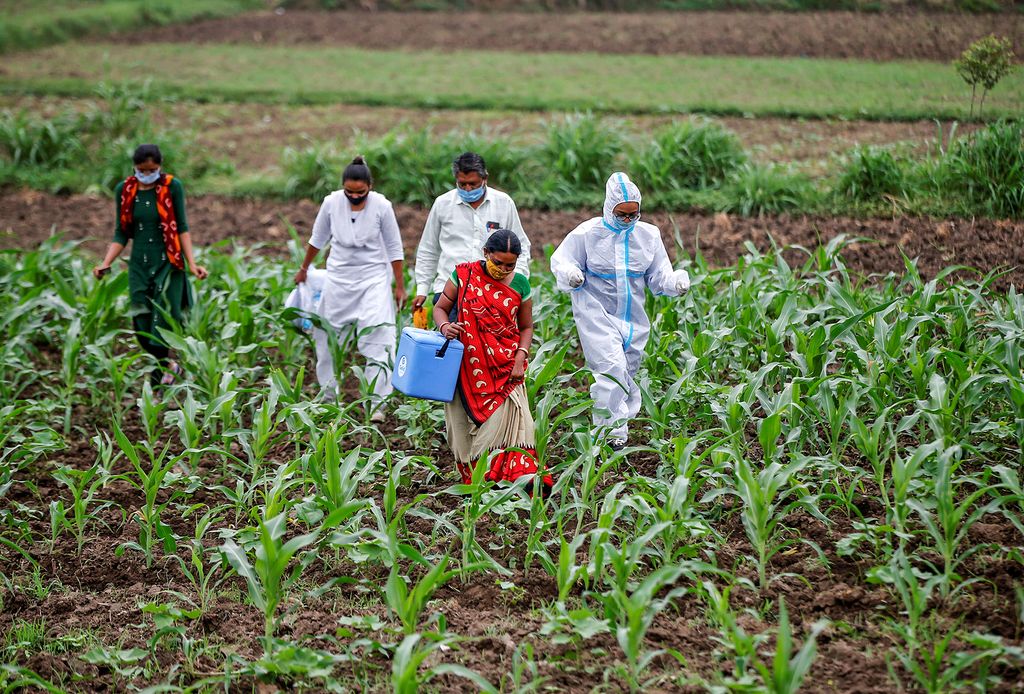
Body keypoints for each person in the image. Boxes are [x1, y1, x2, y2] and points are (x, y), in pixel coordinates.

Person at [550, 172, 690, 450]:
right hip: (596, 314)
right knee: (611, 370)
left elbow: (658, 275)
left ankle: (616, 427)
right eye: (621, 214)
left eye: (632, 215)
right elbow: (561, 260)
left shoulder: (648, 236)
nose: (627, 220)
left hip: (633, 319)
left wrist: (675, 283)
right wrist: (571, 274)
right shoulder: (587, 234)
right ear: (608, 208)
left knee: (625, 373)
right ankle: (609, 437)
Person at [433, 228, 552, 494]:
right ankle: (477, 479)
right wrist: (445, 328)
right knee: (462, 423)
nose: (502, 269)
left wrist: (521, 357)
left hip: (506, 365)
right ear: (485, 253)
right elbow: (440, 308)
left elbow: (526, 327)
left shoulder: (521, 283)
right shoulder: (464, 275)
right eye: (497, 263)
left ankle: (510, 478)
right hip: (468, 364)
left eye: (509, 265)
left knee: (510, 422)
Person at [294, 155, 405, 419]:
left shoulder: (381, 206)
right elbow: (317, 239)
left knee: (379, 335)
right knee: (327, 335)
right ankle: (328, 396)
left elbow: (394, 247)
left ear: (370, 187)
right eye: (349, 192)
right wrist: (304, 268)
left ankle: (377, 403)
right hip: (339, 277)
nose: (354, 197)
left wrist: (399, 285)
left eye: (360, 192)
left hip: (373, 278)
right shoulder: (331, 203)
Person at [93, 143, 207, 387]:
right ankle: (168, 366)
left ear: (159, 167)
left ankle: (159, 377)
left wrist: (193, 264)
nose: (147, 175)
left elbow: (182, 228)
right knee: (141, 320)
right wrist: (106, 262)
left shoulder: (171, 187)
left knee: (164, 318)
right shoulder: (124, 190)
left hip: (169, 262)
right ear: (134, 167)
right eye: (142, 170)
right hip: (139, 265)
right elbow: (121, 233)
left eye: (152, 170)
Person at [413, 152, 531, 323]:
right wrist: (422, 289)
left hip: (493, 292)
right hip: (450, 292)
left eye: (473, 184)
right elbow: (428, 249)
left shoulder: (504, 203)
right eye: (462, 184)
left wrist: (516, 282)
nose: (467, 189)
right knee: (452, 346)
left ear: (485, 178)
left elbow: (521, 246)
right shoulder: (442, 204)